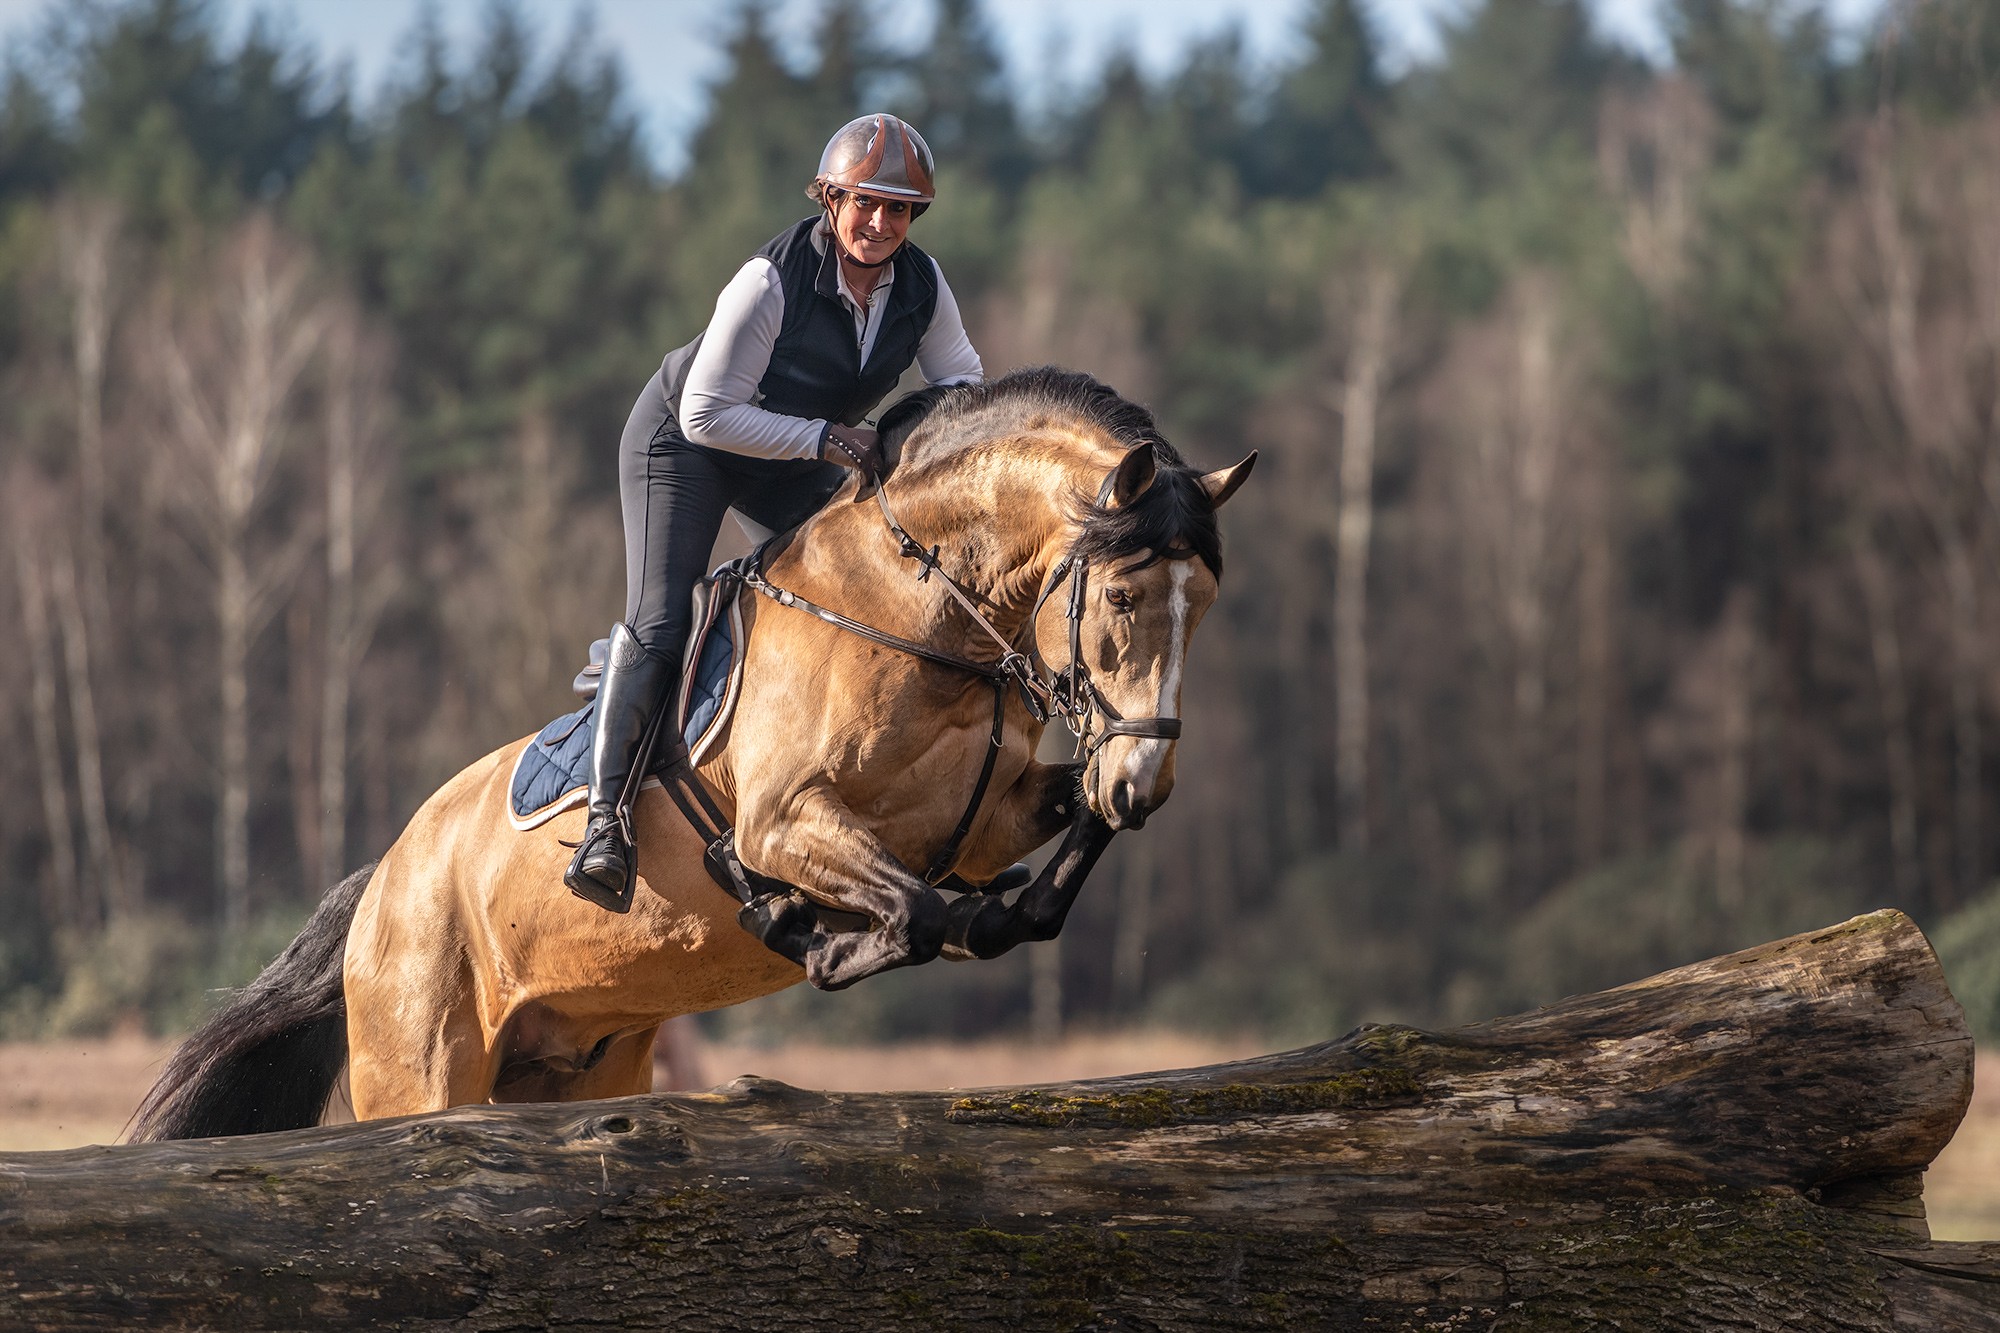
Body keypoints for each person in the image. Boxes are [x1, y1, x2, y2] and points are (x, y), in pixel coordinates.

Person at [566, 113, 986, 912]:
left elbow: (966, 384)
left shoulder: (924, 287)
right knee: (662, 620)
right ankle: (604, 825)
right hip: (684, 444)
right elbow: (705, 416)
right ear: (831, 199)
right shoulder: (770, 280)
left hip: (795, 455)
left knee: (859, 593)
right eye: (866, 202)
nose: (880, 223)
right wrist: (829, 438)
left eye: (898, 209)